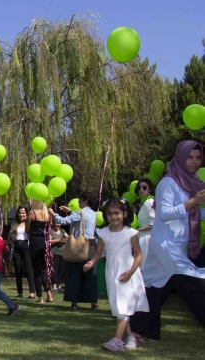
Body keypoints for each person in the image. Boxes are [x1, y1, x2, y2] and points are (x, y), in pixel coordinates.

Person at [130, 140, 205, 340]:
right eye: (190, 157)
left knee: (153, 288)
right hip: (165, 246)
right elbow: (164, 214)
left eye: (198, 157)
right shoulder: (168, 182)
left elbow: (199, 214)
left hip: (176, 246)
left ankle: (138, 331)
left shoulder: (193, 184)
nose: (194, 162)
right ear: (180, 157)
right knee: (195, 284)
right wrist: (193, 202)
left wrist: (197, 203)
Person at [84, 199, 149, 352]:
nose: (113, 217)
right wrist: (91, 263)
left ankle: (117, 340)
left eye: (116, 213)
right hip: (112, 269)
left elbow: (139, 255)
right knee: (119, 304)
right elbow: (98, 253)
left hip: (128, 270)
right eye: (110, 214)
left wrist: (130, 272)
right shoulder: (103, 233)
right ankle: (131, 336)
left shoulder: (131, 233)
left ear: (124, 214)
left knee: (123, 304)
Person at [49, 191, 99, 310]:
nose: (78, 201)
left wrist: (52, 213)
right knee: (90, 274)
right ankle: (93, 301)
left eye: (80, 200)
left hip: (79, 246)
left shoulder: (79, 213)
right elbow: (83, 220)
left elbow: (62, 221)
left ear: (85, 201)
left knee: (74, 274)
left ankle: (74, 301)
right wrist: (70, 212)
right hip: (91, 245)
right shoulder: (94, 214)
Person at [11, 205, 35, 299]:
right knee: (18, 270)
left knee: (29, 270)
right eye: (20, 213)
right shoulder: (14, 224)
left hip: (26, 247)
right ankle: (20, 292)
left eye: (23, 213)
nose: (21, 215)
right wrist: (12, 235)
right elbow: (11, 237)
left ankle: (32, 292)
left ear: (27, 214)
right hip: (17, 246)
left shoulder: (29, 223)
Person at [134, 178, 155, 271]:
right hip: (142, 236)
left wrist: (136, 230)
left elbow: (153, 224)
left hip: (147, 238)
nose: (141, 190)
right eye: (139, 188)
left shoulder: (149, 202)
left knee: (143, 265)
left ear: (149, 189)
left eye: (144, 187)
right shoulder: (144, 202)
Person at [50, 219, 68, 292]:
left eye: (59, 223)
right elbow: (49, 241)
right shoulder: (50, 231)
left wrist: (65, 240)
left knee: (62, 270)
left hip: (62, 253)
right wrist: (58, 240)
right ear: (53, 223)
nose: (58, 225)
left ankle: (59, 285)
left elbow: (68, 237)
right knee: (55, 270)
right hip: (54, 253)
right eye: (57, 223)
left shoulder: (63, 231)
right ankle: (54, 286)